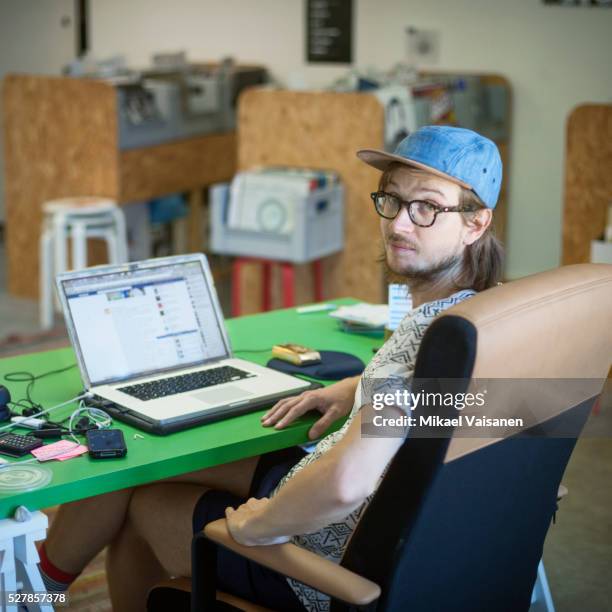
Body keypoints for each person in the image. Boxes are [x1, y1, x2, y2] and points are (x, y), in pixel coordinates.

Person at [39, 126, 504, 611]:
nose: (400, 225)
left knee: (143, 504)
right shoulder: (484, 316)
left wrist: (259, 524)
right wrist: (358, 386)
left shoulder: (424, 347)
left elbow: (347, 482)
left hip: (318, 562)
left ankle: (30, 591)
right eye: (392, 200)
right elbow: (421, 400)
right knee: (148, 460)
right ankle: (37, 587)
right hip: (390, 527)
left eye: (427, 207)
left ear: (476, 223)